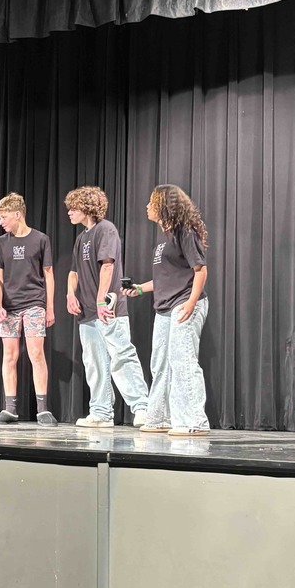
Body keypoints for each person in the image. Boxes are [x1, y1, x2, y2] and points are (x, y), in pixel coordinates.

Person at [122, 184, 209, 436]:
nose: (147, 206)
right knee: (159, 363)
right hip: (164, 307)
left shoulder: (185, 231)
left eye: (152, 202)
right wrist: (139, 289)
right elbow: (165, 278)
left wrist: (191, 303)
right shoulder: (163, 239)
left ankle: (194, 421)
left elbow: (200, 270)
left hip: (184, 302)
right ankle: (160, 417)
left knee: (182, 361)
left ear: (164, 205)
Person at [65, 186, 149, 429]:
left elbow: (107, 266)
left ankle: (142, 408)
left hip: (108, 307)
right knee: (94, 362)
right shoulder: (81, 238)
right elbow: (73, 271)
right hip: (87, 312)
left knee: (121, 355)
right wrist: (70, 293)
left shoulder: (106, 230)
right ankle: (101, 411)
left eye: (74, 207)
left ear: (88, 207)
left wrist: (101, 300)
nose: (69, 212)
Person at [0, 193, 57, 425]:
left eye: (4, 217)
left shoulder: (40, 239)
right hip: (9, 308)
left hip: (34, 304)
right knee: (10, 356)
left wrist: (49, 308)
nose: (1, 222)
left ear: (17, 215)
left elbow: (48, 275)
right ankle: (10, 409)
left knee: (36, 354)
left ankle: (42, 409)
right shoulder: (0, 243)